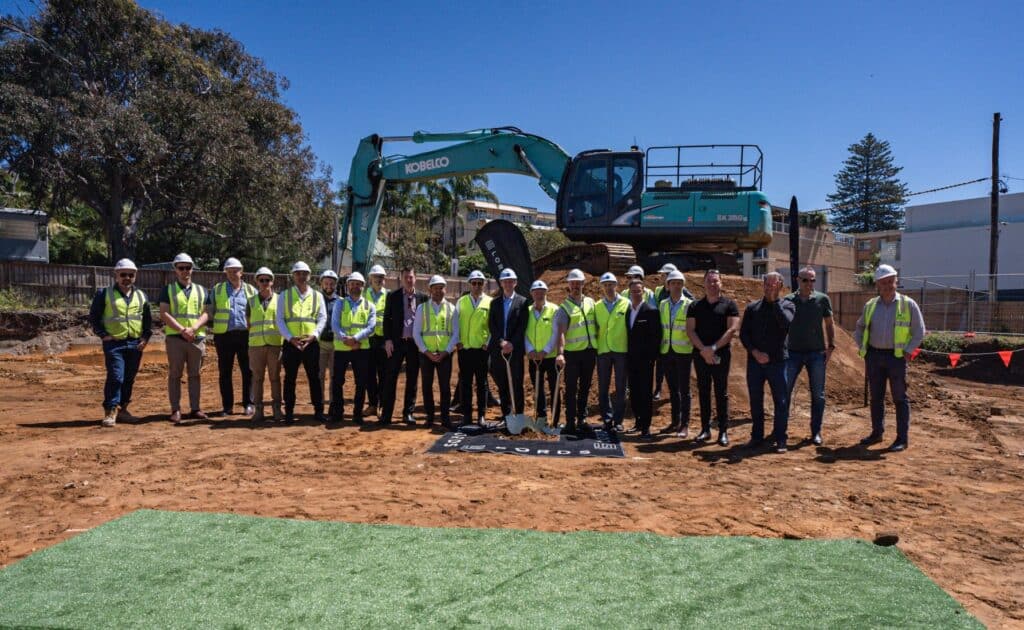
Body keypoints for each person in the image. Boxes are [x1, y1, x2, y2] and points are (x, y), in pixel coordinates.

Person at [854, 264, 926, 451]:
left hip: (896, 357)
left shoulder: (908, 304)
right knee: (876, 397)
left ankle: (902, 439)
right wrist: (863, 348)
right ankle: (877, 433)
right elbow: (860, 328)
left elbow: (919, 331)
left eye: (890, 282)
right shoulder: (870, 306)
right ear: (877, 284)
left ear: (896, 282)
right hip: (874, 356)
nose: (887, 285)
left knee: (900, 398)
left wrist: (909, 350)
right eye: (883, 282)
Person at [88, 258, 152, 427]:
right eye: (123, 274)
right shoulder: (105, 294)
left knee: (129, 378)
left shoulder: (141, 296)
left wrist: (145, 338)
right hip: (114, 343)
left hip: (135, 344)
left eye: (130, 275)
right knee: (116, 376)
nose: (127, 278)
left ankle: (122, 409)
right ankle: (110, 410)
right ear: (116, 275)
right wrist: (103, 334)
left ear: (135, 276)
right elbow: (94, 317)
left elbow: (147, 321)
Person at [739, 272, 796, 453]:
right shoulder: (752, 308)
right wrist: (755, 352)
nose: (770, 287)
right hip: (755, 363)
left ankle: (780, 438)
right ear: (762, 285)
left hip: (778, 362)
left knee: (780, 401)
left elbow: (785, 323)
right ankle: (757, 437)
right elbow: (743, 334)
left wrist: (774, 302)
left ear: (780, 285)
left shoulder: (788, 305)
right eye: (767, 284)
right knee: (756, 400)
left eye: (774, 284)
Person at [686, 269, 740, 446]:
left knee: (721, 392)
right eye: (709, 281)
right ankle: (705, 429)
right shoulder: (695, 306)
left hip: (721, 354)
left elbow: (732, 329)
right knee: (703, 391)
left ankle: (723, 431)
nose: (712, 284)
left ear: (721, 283)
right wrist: (704, 350)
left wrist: (714, 348)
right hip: (701, 354)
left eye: (716, 281)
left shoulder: (730, 305)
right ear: (704, 283)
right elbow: (690, 330)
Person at [783, 266, 836, 445]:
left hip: (816, 353)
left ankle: (816, 432)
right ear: (798, 280)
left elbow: (829, 324)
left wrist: (831, 346)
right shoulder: (788, 300)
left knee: (818, 395)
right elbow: (782, 326)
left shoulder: (822, 300)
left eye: (812, 280)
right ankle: (781, 430)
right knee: (784, 391)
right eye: (805, 280)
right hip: (793, 353)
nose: (809, 283)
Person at [159, 253, 210, 425]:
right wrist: (182, 330)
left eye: (188, 267)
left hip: (196, 338)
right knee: (175, 374)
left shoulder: (202, 290)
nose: (185, 271)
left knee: (195, 374)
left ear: (192, 269)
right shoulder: (168, 290)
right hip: (176, 338)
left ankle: (195, 408)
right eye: (181, 268)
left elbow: (207, 313)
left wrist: (193, 329)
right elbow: (164, 313)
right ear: (175, 270)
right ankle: (176, 409)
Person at [276, 261, 327, 424]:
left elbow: (322, 318)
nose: (301, 276)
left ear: (309, 276)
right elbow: (280, 319)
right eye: (298, 273)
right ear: (293, 276)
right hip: (292, 343)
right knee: (290, 378)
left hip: (311, 343)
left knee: (315, 377)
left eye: (304, 273)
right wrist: (290, 338)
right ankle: (289, 412)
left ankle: (318, 411)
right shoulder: (285, 295)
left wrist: (314, 335)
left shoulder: (317, 296)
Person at [207, 257, 257, 417]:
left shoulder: (251, 291)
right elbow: (209, 311)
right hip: (224, 336)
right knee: (225, 372)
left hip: (246, 335)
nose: (232, 274)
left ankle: (248, 404)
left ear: (241, 272)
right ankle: (227, 406)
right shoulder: (217, 290)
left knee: (248, 371)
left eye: (235, 271)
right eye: (229, 271)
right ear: (225, 273)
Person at [329, 271, 377, 425]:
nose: (355, 287)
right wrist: (346, 339)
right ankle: (338, 413)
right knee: (337, 382)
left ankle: (357, 414)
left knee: (361, 382)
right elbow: (335, 324)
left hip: (361, 348)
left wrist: (356, 339)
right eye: (352, 284)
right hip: (342, 348)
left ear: (363, 286)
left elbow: (371, 327)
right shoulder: (340, 303)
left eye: (358, 284)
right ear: (348, 286)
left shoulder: (370, 306)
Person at [381, 267, 427, 425]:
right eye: (406, 277)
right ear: (401, 279)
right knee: (390, 377)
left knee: (412, 378)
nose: (409, 280)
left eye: (411, 277)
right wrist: (387, 340)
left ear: (416, 278)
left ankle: (408, 412)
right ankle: (386, 414)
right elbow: (387, 319)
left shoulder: (423, 297)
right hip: (397, 343)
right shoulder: (393, 296)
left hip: (415, 344)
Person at [554, 268, 597, 434]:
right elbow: (561, 333)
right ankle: (570, 421)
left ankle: (582, 419)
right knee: (571, 389)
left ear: (583, 284)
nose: (576, 286)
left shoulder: (590, 302)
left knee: (585, 387)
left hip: (589, 352)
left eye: (578, 283)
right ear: (569, 285)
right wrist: (560, 353)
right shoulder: (564, 308)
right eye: (573, 283)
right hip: (572, 355)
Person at [413, 275, 458, 428]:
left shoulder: (452, 309)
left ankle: (445, 418)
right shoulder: (422, 308)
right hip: (426, 355)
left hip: (445, 355)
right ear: (430, 289)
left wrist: (446, 352)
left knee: (445, 387)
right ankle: (430, 417)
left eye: (441, 288)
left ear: (445, 289)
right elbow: (416, 333)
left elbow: (455, 334)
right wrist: (427, 352)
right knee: (427, 386)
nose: (438, 291)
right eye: (435, 288)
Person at [488, 268, 528, 421]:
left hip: (515, 350)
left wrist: (512, 343)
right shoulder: (495, 303)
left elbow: (522, 326)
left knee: (517, 383)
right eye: (505, 282)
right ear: (501, 283)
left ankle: (519, 415)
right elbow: (492, 325)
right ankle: (506, 415)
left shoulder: (523, 302)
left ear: (515, 283)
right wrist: (501, 342)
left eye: (511, 281)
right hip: (498, 348)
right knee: (503, 383)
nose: (508, 284)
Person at [625, 277, 662, 438]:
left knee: (645, 392)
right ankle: (638, 422)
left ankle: (646, 427)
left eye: (638, 291)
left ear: (643, 292)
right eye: (633, 291)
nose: (636, 294)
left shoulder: (651, 311)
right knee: (634, 392)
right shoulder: (628, 311)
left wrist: (651, 358)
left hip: (645, 360)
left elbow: (656, 337)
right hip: (631, 359)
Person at [658, 270, 693, 437]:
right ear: (668, 286)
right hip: (667, 351)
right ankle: (675, 421)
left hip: (683, 351)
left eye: (679, 283)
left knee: (684, 389)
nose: (676, 286)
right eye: (673, 283)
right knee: (673, 389)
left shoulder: (689, 305)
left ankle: (684, 424)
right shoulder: (663, 304)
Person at [455, 270, 491, 425]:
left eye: (480, 283)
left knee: (482, 383)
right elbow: (455, 323)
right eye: (474, 283)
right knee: (466, 383)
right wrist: (457, 341)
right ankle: (467, 415)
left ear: (484, 285)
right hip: (465, 349)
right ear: (469, 284)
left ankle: (481, 415)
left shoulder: (490, 302)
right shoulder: (461, 302)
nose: (477, 286)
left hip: (482, 350)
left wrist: (487, 342)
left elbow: (493, 326)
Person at [653, 262, 693, 401]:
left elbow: (692, 305)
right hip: (663, 334)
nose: (661, 277)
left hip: (679, 339)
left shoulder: (683, 292)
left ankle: (681, 393)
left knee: (680, 373)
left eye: (663, 274)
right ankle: (658, 388)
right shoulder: (658, 291)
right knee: (660, 366)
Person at [595, 272, 630, 433]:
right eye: (606, 285)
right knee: (603, 387)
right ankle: (607, 419)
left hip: (621, 350)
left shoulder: (626, 304)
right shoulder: (597, 306)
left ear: (617, 286)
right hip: (603, 350)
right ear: (602, 287)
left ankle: (618, 420)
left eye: (611, 285)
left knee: (621, 387)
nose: (609, 288)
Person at [247, 267, 283, 423]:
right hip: (256, 346)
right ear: (256, 282)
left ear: (272, 281)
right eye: (261, 280)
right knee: (257, 379)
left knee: (275, 378)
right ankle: (259, 410)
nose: (264, 283)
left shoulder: (280, 300)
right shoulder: (251, 302)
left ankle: (276, 409)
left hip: (275, 345)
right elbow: (248, 323)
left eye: (267, 280)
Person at [525, 280, 560, 426]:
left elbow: (556, 333)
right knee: (538, 388)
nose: (539, 294)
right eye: (536, 291)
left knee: (555, 388)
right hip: (533, 358)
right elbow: (523, 333)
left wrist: (545, 351)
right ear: (532, 293)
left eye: (542, 291)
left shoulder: (554, 309)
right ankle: (541, 418)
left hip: (550, 357)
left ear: (546, 292)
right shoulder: (526, 311)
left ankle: (556, 420)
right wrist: (530, 350)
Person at [365, 264, 389, 415]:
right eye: (376, 277)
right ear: (370, 279)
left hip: (383, 340)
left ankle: (381, 404)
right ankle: (372, 404)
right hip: (367, 340)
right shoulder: (363, 295)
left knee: (383, 374)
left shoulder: (389, 296)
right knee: (369, 374)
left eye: (381, 277)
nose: (378, 279)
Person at [317, 269, 340, 409]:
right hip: (320, 343)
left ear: (335, 284)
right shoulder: (316, 300)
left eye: (331, 283)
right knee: (319, 376)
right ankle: (319, 404)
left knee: (334, 376)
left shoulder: (341, 302)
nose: (329, 286)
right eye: (326, 283)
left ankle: (332, 404)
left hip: (336, 344)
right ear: (321, 284)